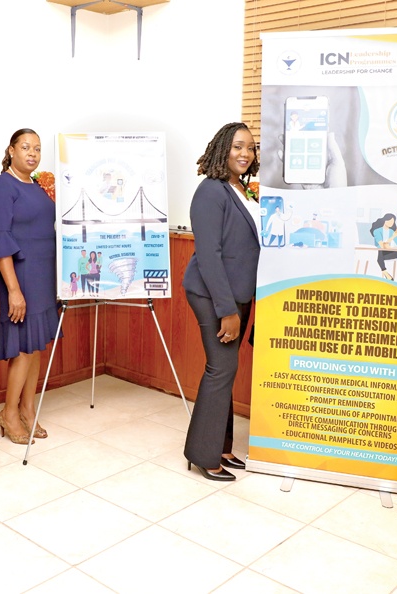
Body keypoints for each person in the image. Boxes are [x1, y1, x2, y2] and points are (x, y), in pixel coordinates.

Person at [183, 122, 261, 481]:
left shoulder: (239, 189)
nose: (245, 153)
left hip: (236, 293)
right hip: (213, 294)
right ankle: (202, 453)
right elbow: (210, 256)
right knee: (221, 368)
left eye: (250, 147)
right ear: (221, 150)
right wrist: (227, 311)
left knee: (226, 370)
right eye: (237, 147)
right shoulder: (210, 192)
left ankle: (222, 445)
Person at [0, 129, 59, 444]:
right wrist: (13, 290)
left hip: (44, 274)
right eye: (26, 147)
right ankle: (8, 413)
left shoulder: (39, 185)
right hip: (21, 276)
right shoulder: (2, 186)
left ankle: (28, 409)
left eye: (37, 149)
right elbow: (0, 240)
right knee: (23, 349)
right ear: (11, 150)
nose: (32, 153)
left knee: (36, 345)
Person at [370, 213, 397, 280]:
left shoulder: (391, 231)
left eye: (393, 222)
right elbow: (382, 245)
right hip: (379, 250)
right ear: (385, 220)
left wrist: (392, 246)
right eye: (390, 221)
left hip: (388, 250)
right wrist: (391, 238)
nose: (391, 223)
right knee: (380, 251)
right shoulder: (377, 231)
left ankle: (380, 261)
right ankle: (385, 272)